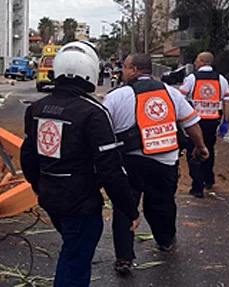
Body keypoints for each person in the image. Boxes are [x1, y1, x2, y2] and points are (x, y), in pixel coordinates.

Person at [20, 41, 141, 287]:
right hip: (80, 203)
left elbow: (28, 155)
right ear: (90, 71)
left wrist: (38, 186)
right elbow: (111, 169)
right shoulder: (93, 112)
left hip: (50, 197)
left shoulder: (37, 108)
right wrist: (130, 210)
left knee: (72, 251)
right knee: (75, 260)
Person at [103, 54, 209, 275]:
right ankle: (165, 240)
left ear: (133, 69)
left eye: (124, 67)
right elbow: (191, 124)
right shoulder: (171, 94)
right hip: (164, 163)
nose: (122, 72)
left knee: (125, 207)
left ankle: (124, 257)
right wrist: (200, 147)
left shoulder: (116, 96)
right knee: (162, 204)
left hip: (128, 163)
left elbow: (103, 131)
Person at [179, 52, 229, 198]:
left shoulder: (192, 78)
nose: (195, 62)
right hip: (212, 122)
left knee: (193, 150)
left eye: (196, 60)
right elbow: (227, 101)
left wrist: (180, 119)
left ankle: (197, 186)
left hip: (194, 122)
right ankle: (208, 179)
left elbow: (180, 99)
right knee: (209, 148)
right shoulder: (221, 79)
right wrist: (226, 122)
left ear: (202, 61)